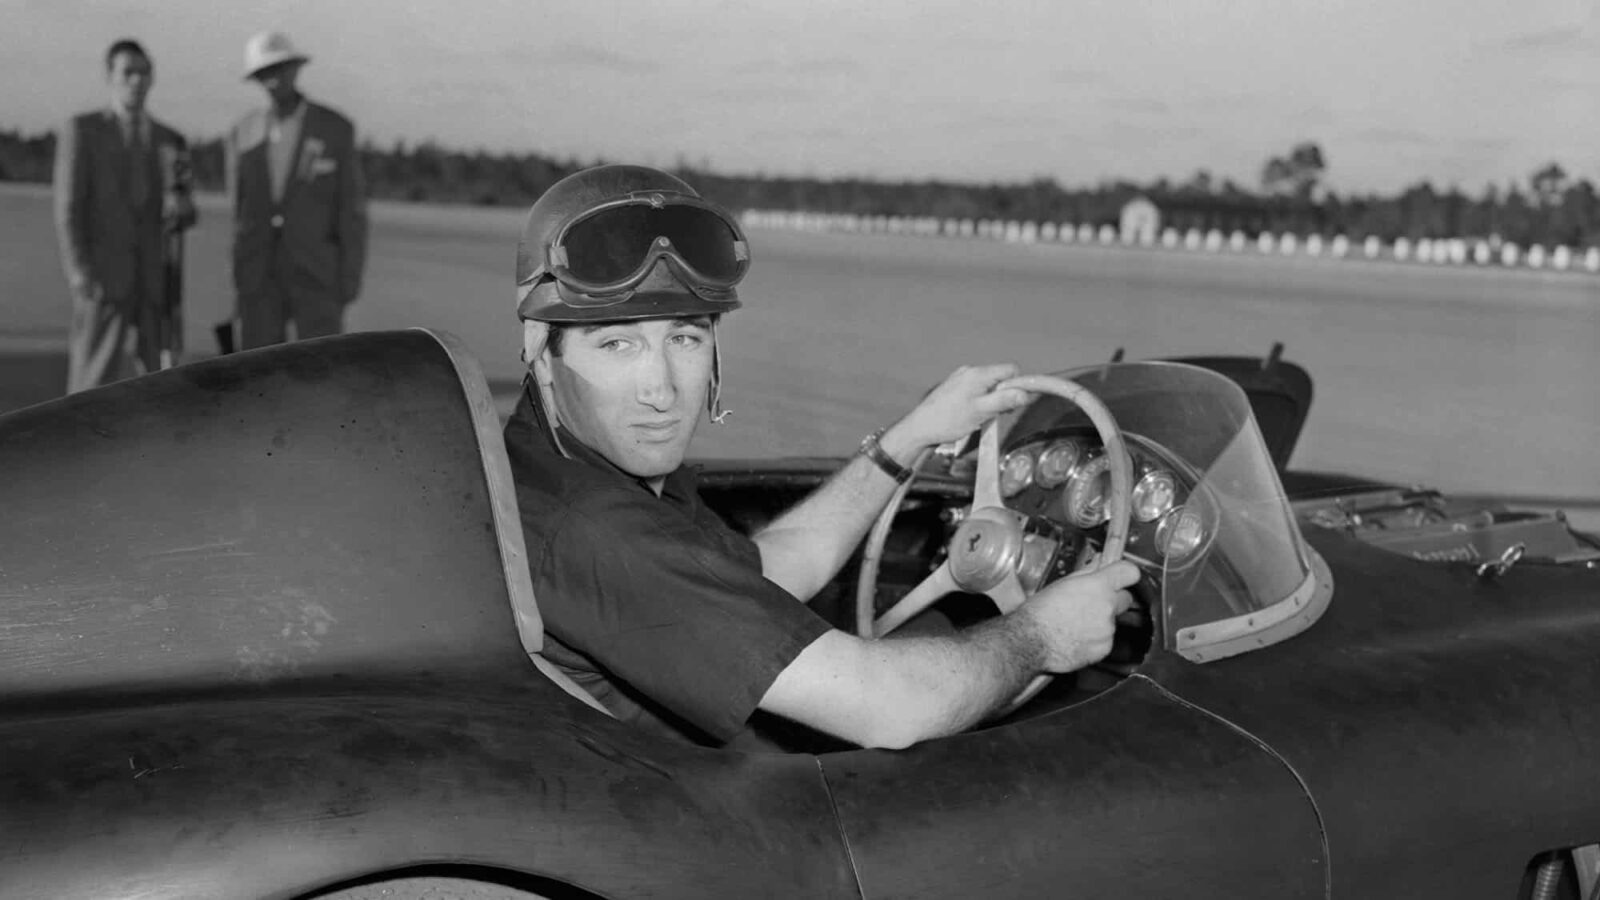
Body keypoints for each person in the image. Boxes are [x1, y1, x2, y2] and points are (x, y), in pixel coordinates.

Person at [504, 165, 1139, 752]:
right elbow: (891, 709)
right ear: (542, 352)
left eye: (684, 338)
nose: (662, 389)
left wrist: (907, 439)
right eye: (617, 344)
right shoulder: (594, 528)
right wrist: (1043, 637)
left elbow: (773, 569)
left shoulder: (571, 469)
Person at [53, 38, 196, 393]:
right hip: (103, 281)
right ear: (110, 76)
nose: (136, 80)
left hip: (156, 286)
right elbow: (68, 209)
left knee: (161, 385)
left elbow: (187, 211)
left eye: (144, 72)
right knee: (90, 386)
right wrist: (79, 274)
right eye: (128, 72)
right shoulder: (83, 131)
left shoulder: (171, 140)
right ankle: (81, 447)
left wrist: (182, 209)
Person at [225, 31, 367, 350]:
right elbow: (238, 213)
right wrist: (238, 275)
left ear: (296, 68)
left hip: (318, 275)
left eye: (279, 69)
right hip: (258, 278)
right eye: (263, 74)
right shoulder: (241, 132)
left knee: (320, 372)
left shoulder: (335, 129)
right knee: (259, 375)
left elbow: (351, 211)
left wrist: (349, 278)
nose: (273, 81)